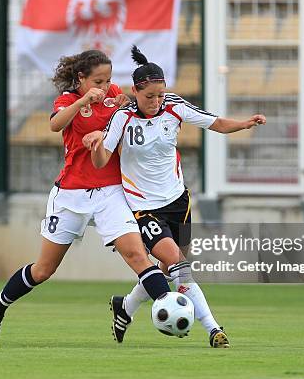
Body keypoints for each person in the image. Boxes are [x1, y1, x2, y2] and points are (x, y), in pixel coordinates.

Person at [0, 49, 171, 343]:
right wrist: (84, 101)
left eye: (108, 79)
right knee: (43, 269)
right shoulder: (69, 100)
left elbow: (142, 112)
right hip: (71, 195)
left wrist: (129, 102)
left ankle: (170, 307)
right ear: (81, 79)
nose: (105, 85)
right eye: (98, 80)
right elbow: (55, 124)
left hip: (111, 192)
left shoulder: (115, 96)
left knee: (137, 255)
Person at [83, 46, 266, 348]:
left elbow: (216, 123)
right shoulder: (122, 117)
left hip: (178, 202)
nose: (156, 102)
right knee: (180, 266)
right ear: (135, 92)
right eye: (149, 97)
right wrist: (97, 146)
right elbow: (102, 162)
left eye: (160, 95)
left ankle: (125, 307)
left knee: (171, 268)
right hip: (144, 208)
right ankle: (213, 329)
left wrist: (244, 123)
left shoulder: (174, 106)